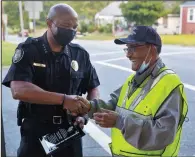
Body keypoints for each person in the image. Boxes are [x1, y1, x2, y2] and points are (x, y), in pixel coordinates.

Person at [2, 4, 99, 157]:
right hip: (36, 132)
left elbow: (93, 87)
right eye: (66, 26)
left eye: (75, 27)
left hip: (69, 132)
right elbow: (18, 89)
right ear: (49, 23)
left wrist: (85, 113)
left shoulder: (80, 54)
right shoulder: (29, 50)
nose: (72, 31)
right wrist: (63, 99)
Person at [79, 26, 188, 157]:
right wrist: (88, 107)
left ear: (152, 49)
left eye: (133, 48)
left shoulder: (169, 83)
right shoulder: (132, 80)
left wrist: (119, 122)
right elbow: (113, 105)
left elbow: (163, 134)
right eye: (127, 48)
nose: (128, 54)